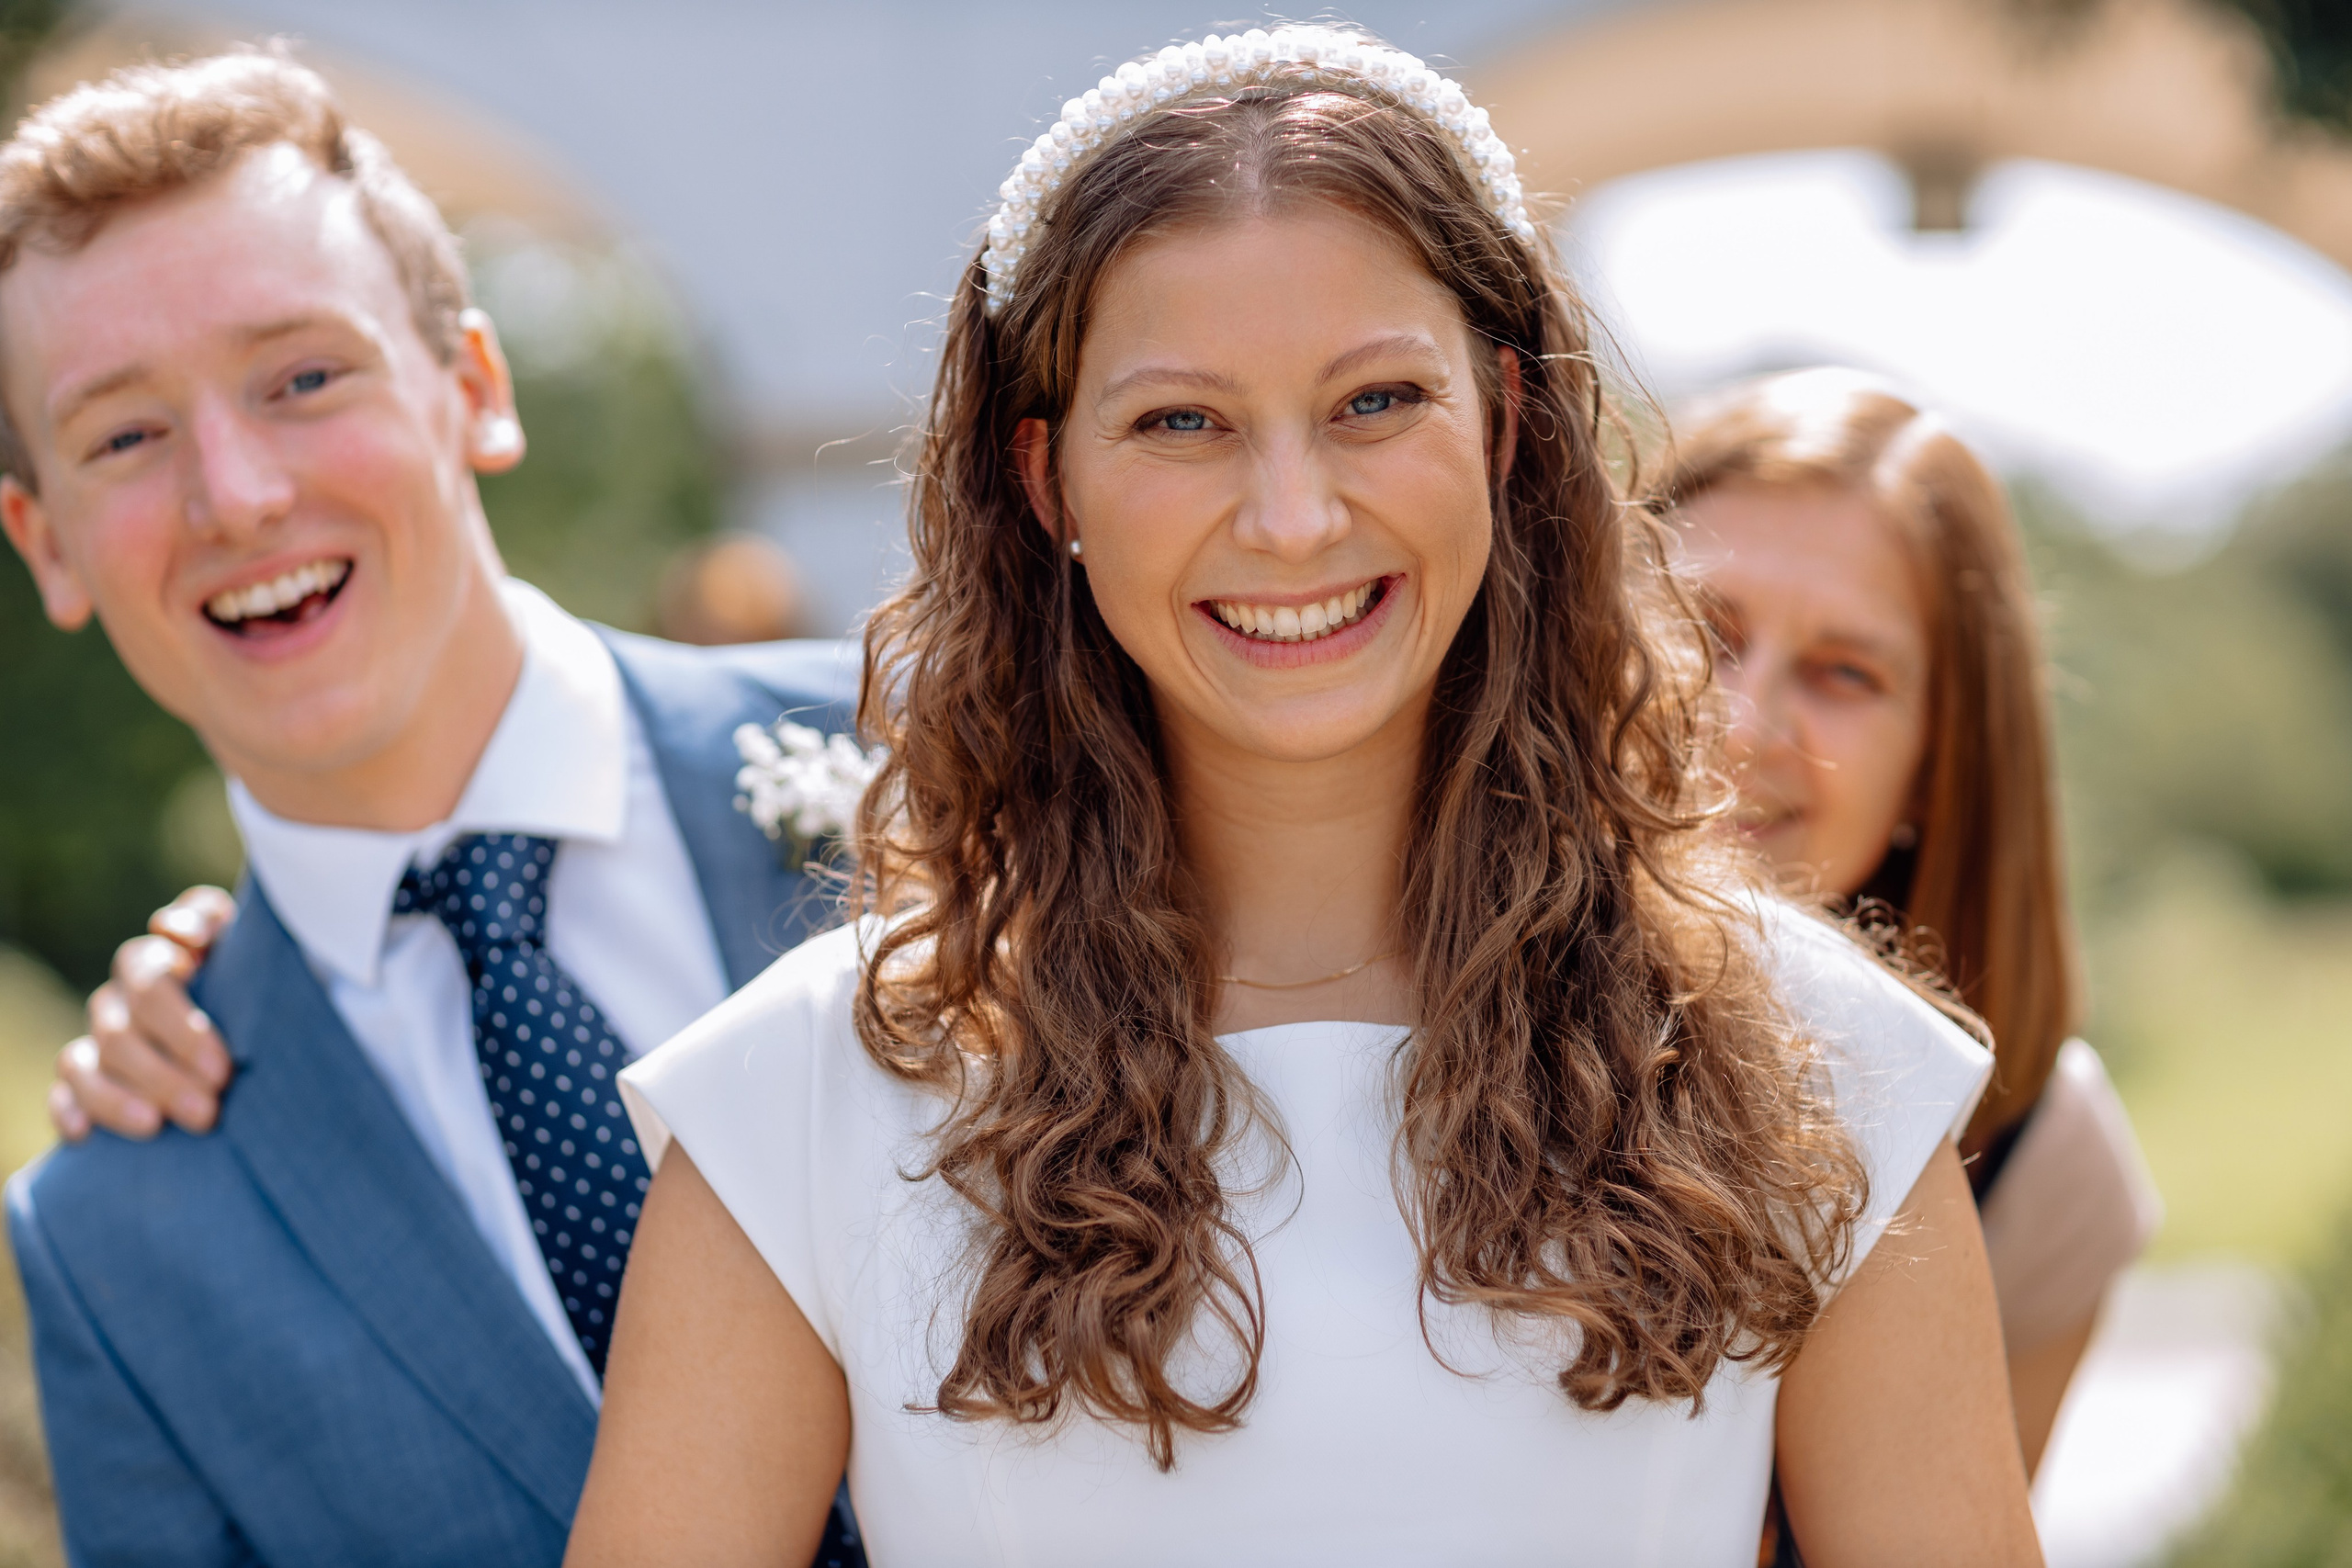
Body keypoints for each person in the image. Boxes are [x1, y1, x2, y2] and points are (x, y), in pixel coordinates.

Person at [565, 27, 2040, 1565]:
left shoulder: (1821, 1070)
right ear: (1047, 480)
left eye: (1375, 401)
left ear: (1505, 419)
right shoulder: (801, 1102)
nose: (1291, 517)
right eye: (1181, 421)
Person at [0, 52, 862, 1565]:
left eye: (303, 378)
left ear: (474, 388)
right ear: (47, 543)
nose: (235, 493)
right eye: (124, 435)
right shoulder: (114, 1239)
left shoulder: (952, 764)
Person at [1670, 367, 2163, 1482]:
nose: (1742, 723)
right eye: (1703, 629)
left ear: (1937, 767)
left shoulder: (2040, 1168)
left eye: (1843, 673)